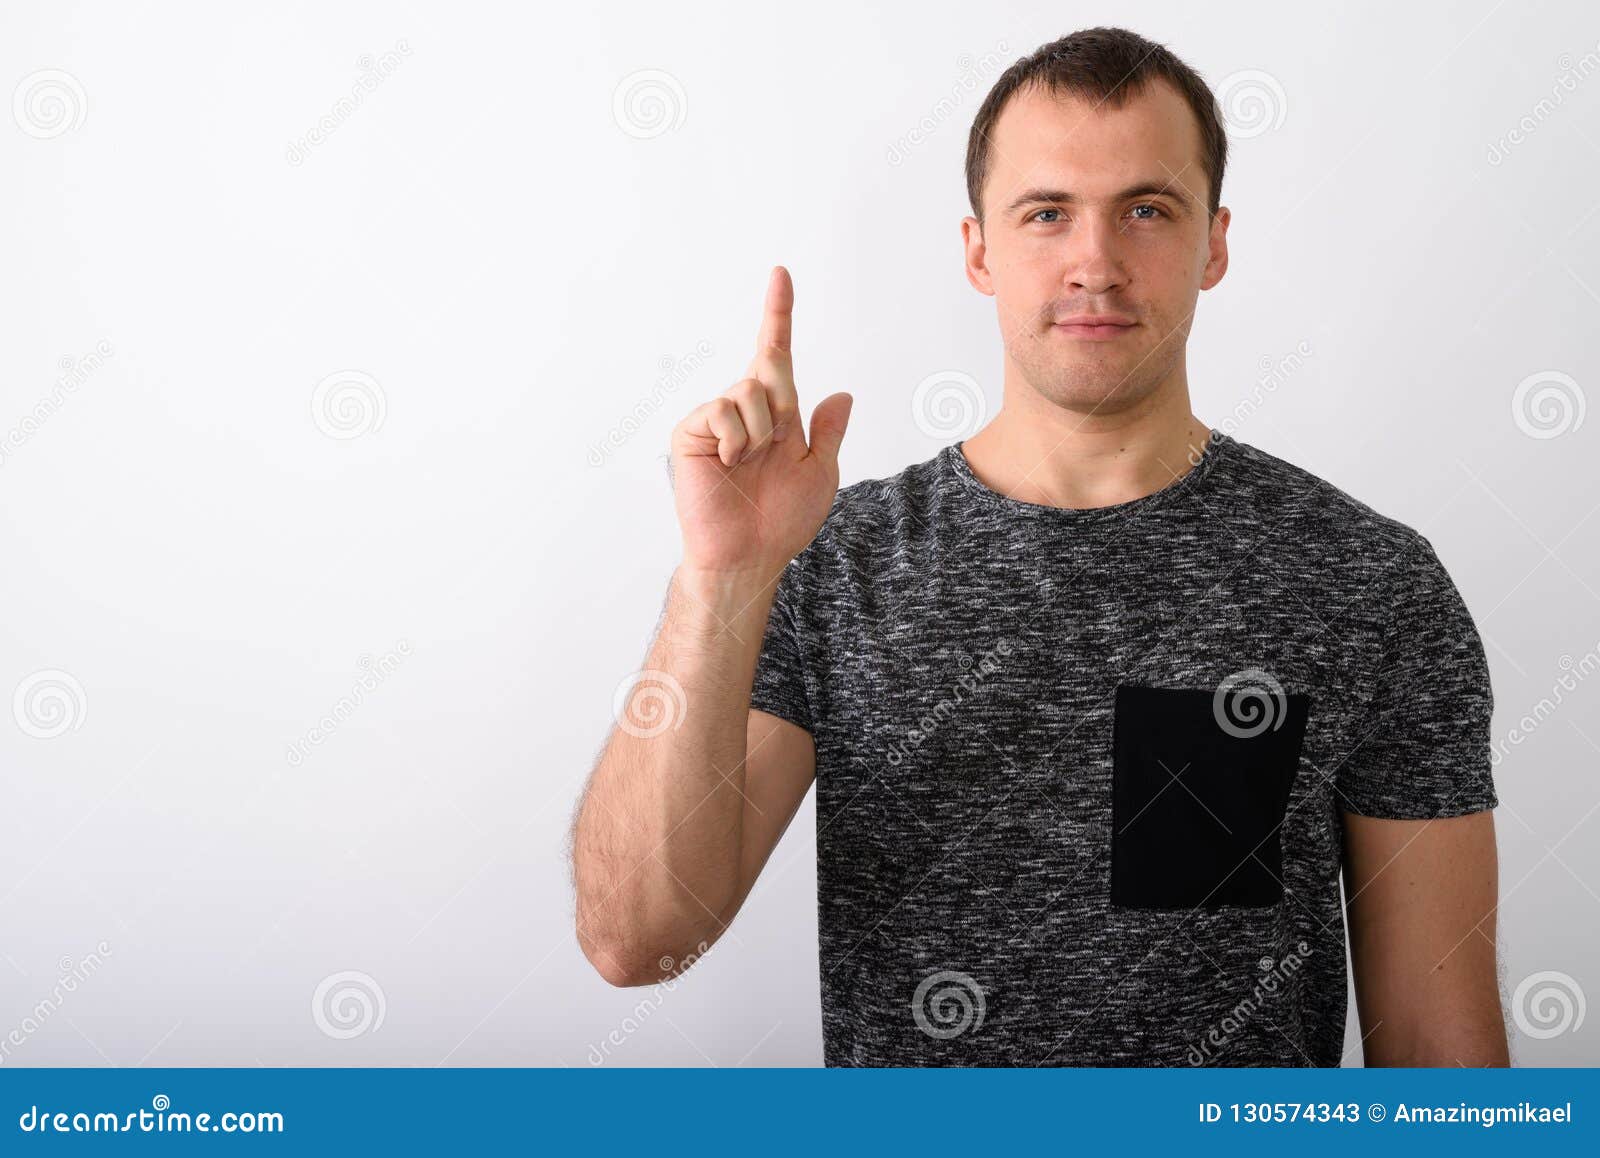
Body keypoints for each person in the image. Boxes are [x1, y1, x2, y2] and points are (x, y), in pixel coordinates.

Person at [570, 26, 1508, 1067]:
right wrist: (724, 576)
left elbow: (1438, 1051)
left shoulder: (1367, 583)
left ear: (1214, 243)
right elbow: (637, 942)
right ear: (978, 249)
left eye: (1145, 210)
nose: (1094, 264)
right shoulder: (833, 564)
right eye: (1046, 214)